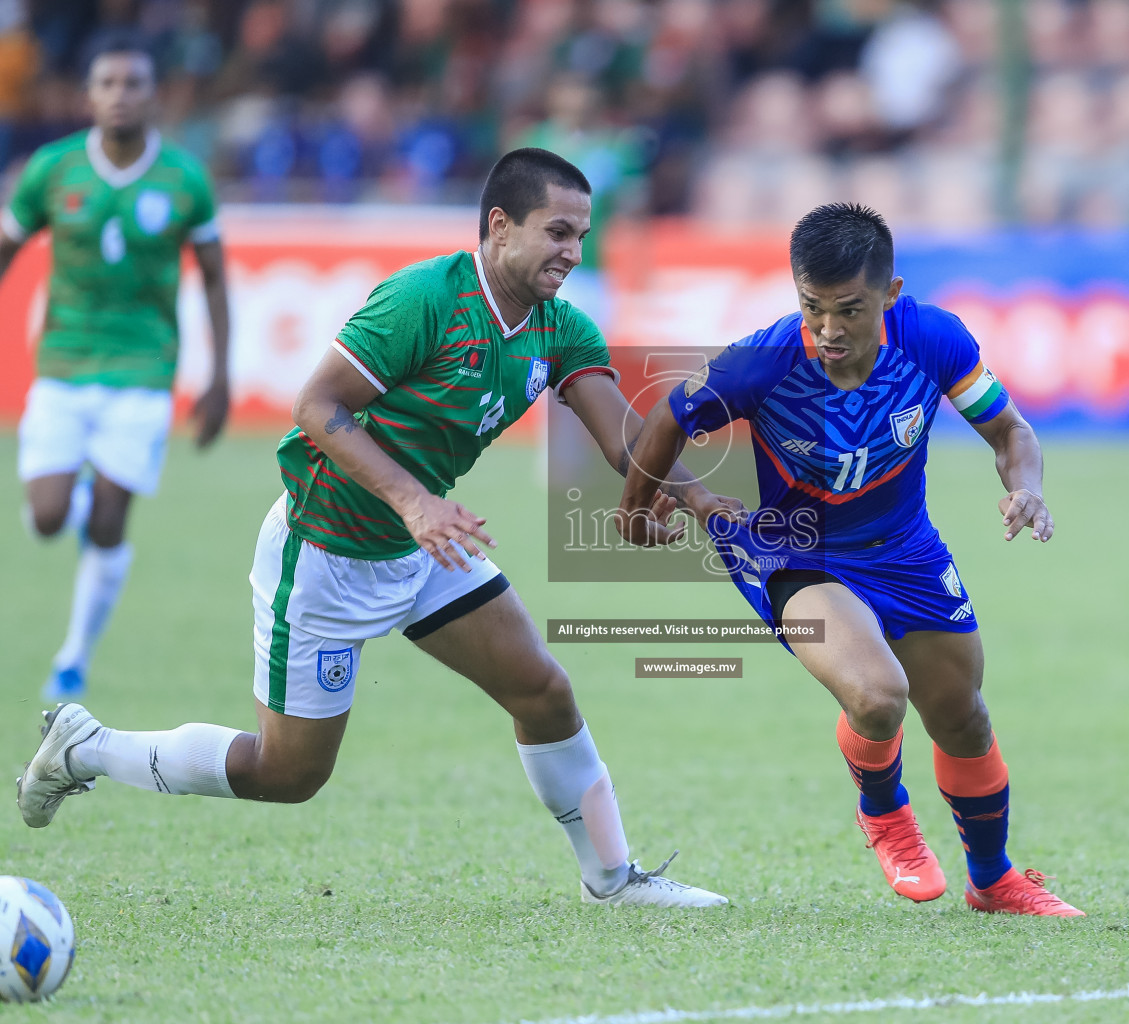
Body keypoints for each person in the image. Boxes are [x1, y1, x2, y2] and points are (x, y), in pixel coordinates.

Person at [17, 148, 726, 908]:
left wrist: (702, 501)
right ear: (499, 226)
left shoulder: (560, 329)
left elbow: (623, 437)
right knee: (287, 775)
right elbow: (317, 407)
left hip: (425, 546)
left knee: (543, 691)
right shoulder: (424, 298)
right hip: (326, 548)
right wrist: (415, 501)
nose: (571, 252)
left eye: (581, 236)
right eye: (556, 232)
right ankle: (88, 748)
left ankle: (612, 880)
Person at [617, 203, 1083, 916]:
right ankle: (885, 816)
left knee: (962, 716)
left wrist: (1026, 488)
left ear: (889, 294)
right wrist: (639, 509)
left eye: (848, 310)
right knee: (876, 694)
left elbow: (1008, 432)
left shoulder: (932, 339)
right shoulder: (764, 360)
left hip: (903, 546)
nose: (828, 330)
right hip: (791, 548)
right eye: (812, 307)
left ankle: (993, 882)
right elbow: (664, 420)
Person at [0, 33, 231, 700]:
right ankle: (71, 497)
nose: (121, 95)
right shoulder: (51, 169)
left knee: (108, 524)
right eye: (108, 83)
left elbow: (214, 280)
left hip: (143, 370)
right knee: (46, 518)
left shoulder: (184, 178)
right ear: (88, 94)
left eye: (134, 83)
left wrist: (218, 378)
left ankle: (73, 658)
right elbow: (7, 248)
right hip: (63, 365)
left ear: (154, 95)